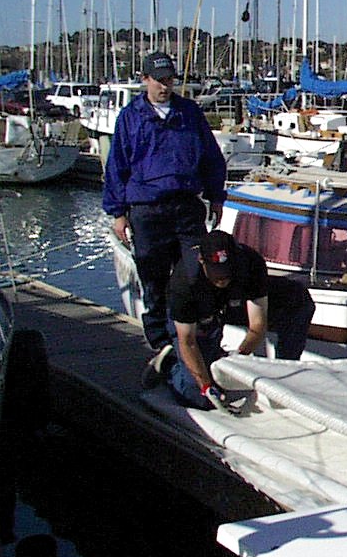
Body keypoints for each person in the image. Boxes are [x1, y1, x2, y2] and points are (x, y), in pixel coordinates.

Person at [102, 51, 228, 364]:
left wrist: (216, 196)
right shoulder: (131, 117)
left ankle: (199, 339)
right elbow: (117, 166)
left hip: (186, 207)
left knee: (196, 273)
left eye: (169, 80)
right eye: (158, 80)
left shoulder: (189, 113)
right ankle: (161, 344)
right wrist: (118, 213)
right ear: (145, 80)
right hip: (147, 210)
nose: (164, 86)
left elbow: (212, 157)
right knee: (153, 279)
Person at [161, 230, 315, 411]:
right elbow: (188, 342)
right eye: (216, 273)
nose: (222, 279)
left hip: (233, 303)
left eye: (227, 272)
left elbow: (258, 324)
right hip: (198, 313)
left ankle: (284, 375)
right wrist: (206, 386)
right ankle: (169, 364)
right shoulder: (184, 281)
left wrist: (239, 356)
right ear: (202, 261)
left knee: (299, 300)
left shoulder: (251, 263)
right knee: (196, 395)